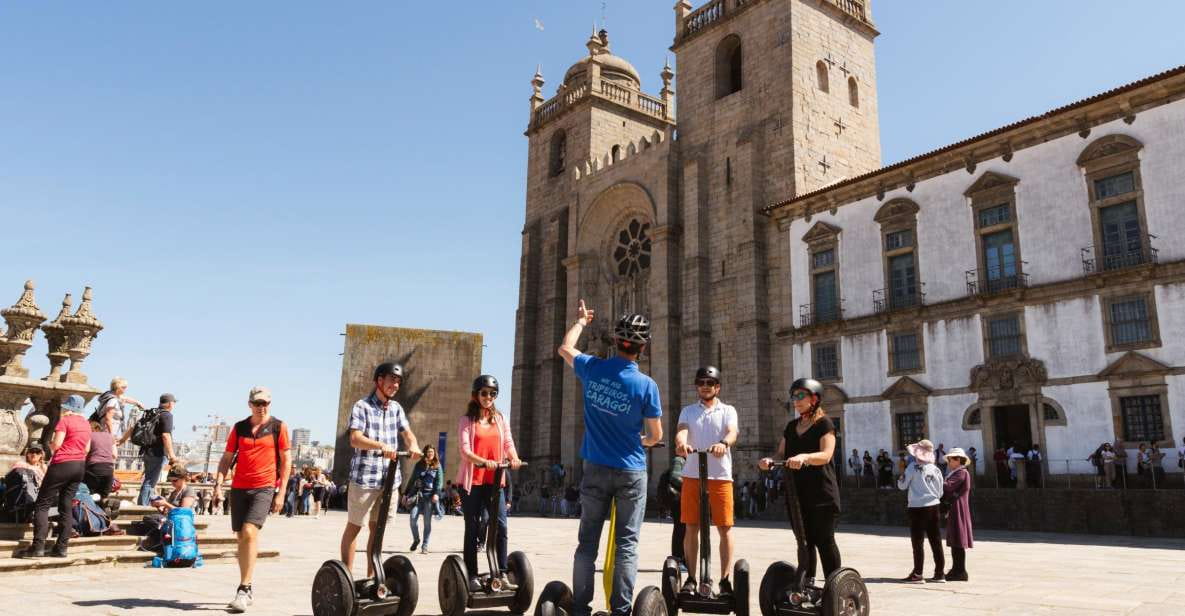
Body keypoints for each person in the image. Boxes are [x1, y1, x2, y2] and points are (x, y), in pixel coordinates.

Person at [557, 301, 663, 616]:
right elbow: (656, 435)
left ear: (616, 342)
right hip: (631, 471)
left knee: (587, 543)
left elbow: (565, 348)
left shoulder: (592, 368)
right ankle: (621, 611)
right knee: (626, 546)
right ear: (642, 348)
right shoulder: (647, 385)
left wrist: (580, 322)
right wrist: (643, 440)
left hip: (595, 469)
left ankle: (580, 607)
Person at [212, 386, 292, 613]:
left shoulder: (278, 427)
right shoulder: (239, 428)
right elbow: (227, 458)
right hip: (239, 488)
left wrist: (281, 492)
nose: (261, 407)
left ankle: (243, 588)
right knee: (241, 537)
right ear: (250, 404)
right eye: (257, 403)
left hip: (264, 487)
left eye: (265, 403)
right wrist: (218, 484)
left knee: (249, 532)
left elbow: (286, 461)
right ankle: (247, 586)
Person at [341, 363, 422, 581]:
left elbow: (408, 434)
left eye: (398, 381)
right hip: (365, 479)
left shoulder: (396, 408)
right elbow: (355, 438)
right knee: (355, 527)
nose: (395, 384)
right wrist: (380, 446)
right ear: (379, 380)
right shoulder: (362, 406)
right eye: (391, 380)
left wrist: (413, 445)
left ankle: (371, 579)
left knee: (377, 531)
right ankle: (346, 580)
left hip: (389, 480)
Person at [760, 378, 840, 585]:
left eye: (800, 396)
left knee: (824, 540)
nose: (795, 400)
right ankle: (808, 582)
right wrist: (770, 461)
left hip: (822, 493)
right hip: (797, 493)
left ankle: (834, 584)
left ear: (814, 399)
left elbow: (826, 455)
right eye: (793, 396)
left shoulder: (825, 424)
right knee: (804, 542)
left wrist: (805, 457)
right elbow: (781, 453)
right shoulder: (791, 426)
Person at [674, 365, 739, 596]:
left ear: (717, 387)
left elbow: (732, 432)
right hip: (692, 474)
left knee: (724, 527)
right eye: (701, 383)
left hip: (720, 476)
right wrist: (681, 443)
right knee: (691, 526)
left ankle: (725, 580)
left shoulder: (728, 410)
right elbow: (681, 430)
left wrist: (724, 443)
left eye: (709, 383)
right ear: (696, 386)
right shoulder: (688, 411)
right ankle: (691, 578)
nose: (705, 386)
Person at [456, 374, 522, 590]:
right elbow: (465, 450)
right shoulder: (467, 420)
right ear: (476, 395)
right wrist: (483, 461)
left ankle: (501, 573)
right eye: (484, 393)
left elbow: (508, 442)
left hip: (495, 481)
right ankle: (472, 575)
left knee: (501, 526)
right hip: (472, 481)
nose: (488, 397)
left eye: (492, 393)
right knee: (473, 527)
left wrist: (513, 457)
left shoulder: (500, 419)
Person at [19, 394, 91, 558]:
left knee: (42, 505)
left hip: (62, 464)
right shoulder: (86, 424)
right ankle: (61, 548)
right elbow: (87, 449)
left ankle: (37, 548)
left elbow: (57, 444)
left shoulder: (65, 421)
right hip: (79, 466)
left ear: (68, 407)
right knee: (66, 506)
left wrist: (48, 449)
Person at [118, 393, 180, 506]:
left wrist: (122, 440)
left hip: (146, 451)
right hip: (158, 453)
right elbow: (166, 435)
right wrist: (172, 455)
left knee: (149, 480)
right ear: (170, 403)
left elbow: (133, 426)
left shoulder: (152, 412)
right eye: (174, 403)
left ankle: (146, 503)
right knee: (150, 482)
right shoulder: (167, 415)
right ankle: (143, 507)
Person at [896, 440, 944, 583]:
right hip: (934, 506)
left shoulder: (912, 467)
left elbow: (903, 486)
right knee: (936, 540)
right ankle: (940, 573)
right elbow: (941, 492)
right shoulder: (936, 469)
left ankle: (918, 573)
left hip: (917, 507)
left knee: (918, 542)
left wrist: (900, 479)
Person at [85, 410, 126, 536]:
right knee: (103, 499)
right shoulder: (110, 437)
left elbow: (86, 451)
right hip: (108, 470)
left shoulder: (89, 435)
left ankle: (92, 526)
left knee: (90, 497)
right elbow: (114, 455)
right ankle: (109, 525)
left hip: (93, 469)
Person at [942, 448, 974, 581]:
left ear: (958, 460)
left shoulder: (961, 473)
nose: (949, 462)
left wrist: (936, 479)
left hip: (958, 508)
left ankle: (960, 570)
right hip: (955, 507)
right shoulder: (956, 473)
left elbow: (948, 487)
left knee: (958, 541)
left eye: (950, 459)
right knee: (956, 541)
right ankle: (957, 569)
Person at [406, 444, 443, 554]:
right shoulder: (419, 465)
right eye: (428, 452)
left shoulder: (437, 466)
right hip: (418, 496)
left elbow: (439, 481)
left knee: (427, 522)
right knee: (413, 519)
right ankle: (416, 539)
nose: (430, 454)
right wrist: (406, 493)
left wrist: (436, 493)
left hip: (430, 497)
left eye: (432, 452)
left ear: (434, 453)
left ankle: (425, 545)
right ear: (425, 453)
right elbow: (412, 479)